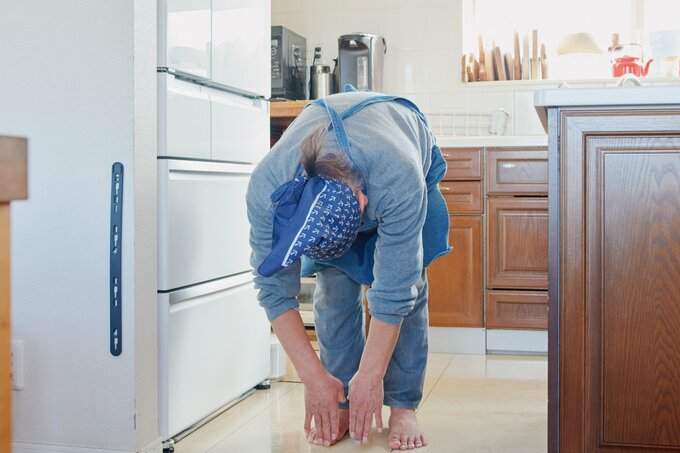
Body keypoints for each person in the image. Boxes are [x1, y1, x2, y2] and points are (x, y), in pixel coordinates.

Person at [246, 86, 450, 450]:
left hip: (400, 138)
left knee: (410, 285)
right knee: (334, 287)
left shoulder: (397, 177)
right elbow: (273, 291)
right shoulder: (267, 187)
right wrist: (314, 379)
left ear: (362, 201)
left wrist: (371, 376)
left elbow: (394, 292)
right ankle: (339, 402)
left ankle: (402, 405)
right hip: (350, 155)